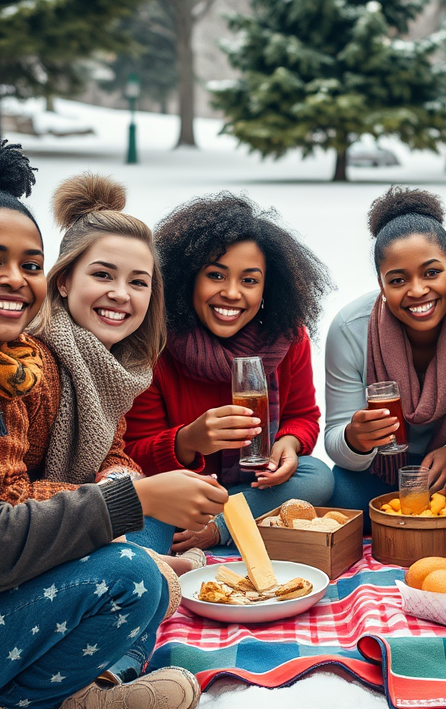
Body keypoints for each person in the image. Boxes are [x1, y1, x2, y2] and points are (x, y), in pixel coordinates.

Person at [0, 129, 215, 709]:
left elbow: (104, 454)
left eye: (27, 263)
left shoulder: (1, 354)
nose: (14, 278)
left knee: (140, 559)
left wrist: (122, 489)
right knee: (133, 574)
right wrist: (132, 499)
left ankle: (90, 683)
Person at [0, 173, 219, 682]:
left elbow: (114, 450)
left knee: (154, 521)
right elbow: (3, 502)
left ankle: (118, 662)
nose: (121, 294)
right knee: (144, 534)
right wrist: (122, 500)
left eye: (138, 282)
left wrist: (122, 484)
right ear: (64, 280)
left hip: (77, 513)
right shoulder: (25, 362)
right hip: (10, 548)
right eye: (103, 275)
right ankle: (109, 657)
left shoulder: (113, 368)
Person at [125, 194, 335, 550]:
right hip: (179, 490)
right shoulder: (155, 345)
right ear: (188, 278)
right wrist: (188, 440)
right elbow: (134, 452)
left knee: (317, 478)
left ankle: (220, 527)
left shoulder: (287, 338)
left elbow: (304, 417)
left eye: (249, 281)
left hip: (256, 488)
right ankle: (234, 520)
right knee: (141, 520)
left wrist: (288, 444)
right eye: (216, 275)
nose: (232, 293)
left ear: (269, 288)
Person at [325, 187, 446, 515]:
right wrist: (356, 437)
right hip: (380, 469)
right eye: (398, 280)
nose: (417, 290)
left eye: (431, 273)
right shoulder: (349, 328)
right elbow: (335, 438)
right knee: (343, 496)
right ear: (382, 285)